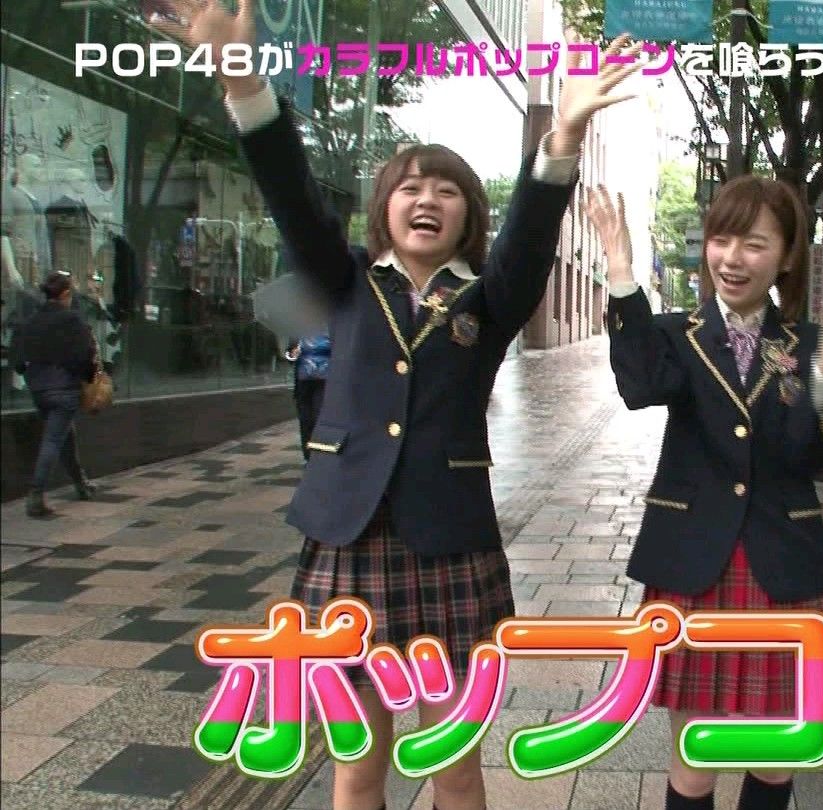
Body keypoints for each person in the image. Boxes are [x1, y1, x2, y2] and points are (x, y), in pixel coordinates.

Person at [151, 3, 645, 809]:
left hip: (452, 545)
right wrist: (242, 82)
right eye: (410, 187)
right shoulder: (344, 282)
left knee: (456, 767)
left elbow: (529, 240)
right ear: (383, 207)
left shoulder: (488, 300)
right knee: (358, 767)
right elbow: (292, 196)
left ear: (467, 216)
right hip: (347, 541)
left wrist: (563, 137)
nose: (427, 199)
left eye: (447, 191)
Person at [589, 178, 823, 810]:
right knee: (696, 762)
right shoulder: (677, 335)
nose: (732, 258)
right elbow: (641, 385)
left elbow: (810, 453)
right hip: (693, 560)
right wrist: (620, 271)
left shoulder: (811, 346)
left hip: (784, 561)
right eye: (721, 239)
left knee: (777, 761)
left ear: (785, 257)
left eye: (754, 244)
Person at [11, 272, 99, 517]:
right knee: (53, 440)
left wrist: (28, 372)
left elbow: (17, 357)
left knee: (64, 437)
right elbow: (87, 354)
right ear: (66, 294)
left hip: (39, 388)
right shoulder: (73, 320)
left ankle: (81, 484)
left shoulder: (32, 320)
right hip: (64, 387)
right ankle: (36, 494)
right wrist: (88, 378)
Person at [285, 330, 329, 459]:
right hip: (303, 383)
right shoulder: (299, 329)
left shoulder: (332, 329)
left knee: (319, 419)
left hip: (325, 382)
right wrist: (292, 354)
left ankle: (321, 457)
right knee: (305, 421)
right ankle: (308, 457)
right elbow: (290, 354)